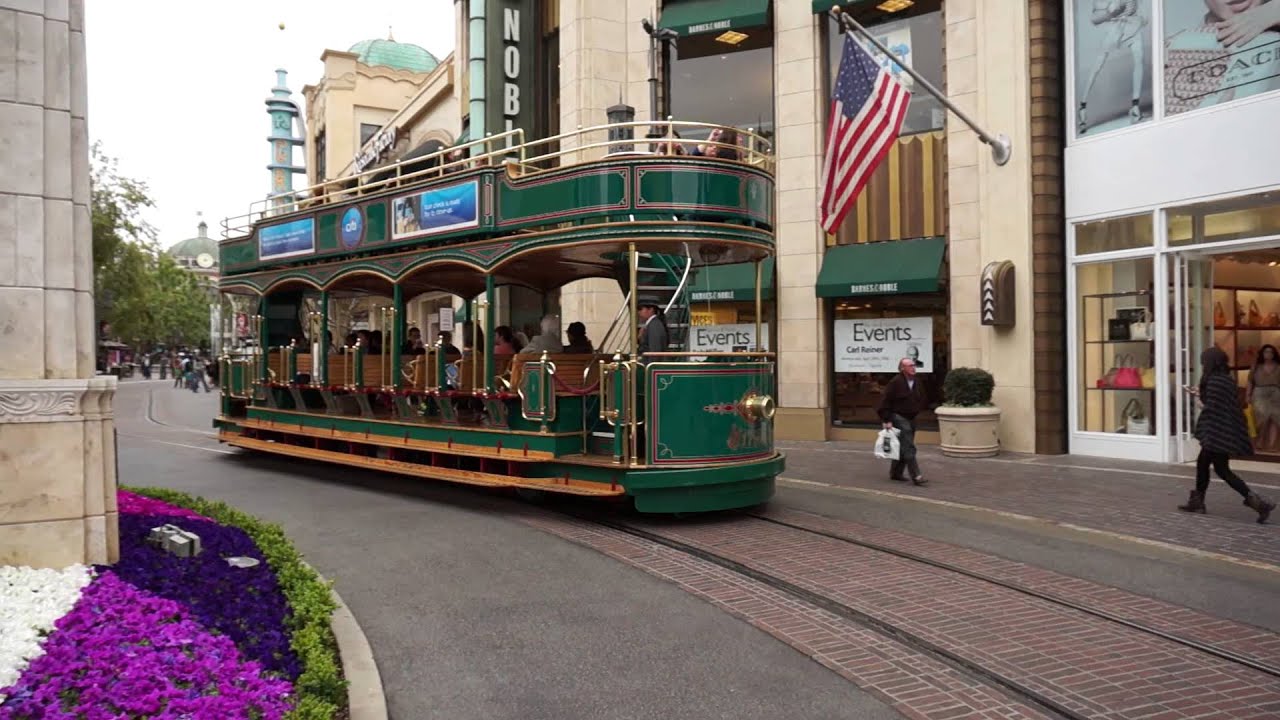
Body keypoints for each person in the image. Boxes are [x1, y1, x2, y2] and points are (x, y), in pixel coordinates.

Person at [1180, 346, 1275, 523]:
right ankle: (1198, 501)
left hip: (1215, 432)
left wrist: (1196, 397)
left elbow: (1208, 407)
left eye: (1203, 362)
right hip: (1224, 431)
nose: (1202, 365)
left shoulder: (1212, 380)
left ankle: (1259, 503)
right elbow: (1220, 403)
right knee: (1209, 466)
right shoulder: (1226, 380)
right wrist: (1200, 393)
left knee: (1220, 470)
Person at [1077, 0, 1148, 134]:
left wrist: (1134, 10)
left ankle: (1135, 106)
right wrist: (1114, 9)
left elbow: (1140, 11)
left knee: (1139, 60)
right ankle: (1083, 107)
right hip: (1116, 29)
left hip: (1133, 26)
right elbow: (1097, 18)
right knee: (1098, 64)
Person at [877, 358, 928, 486]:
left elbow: (922, 397)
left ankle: (895, 473)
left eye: (914, 365)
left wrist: (918, 408)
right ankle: (916, 475)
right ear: (902, 368)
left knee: (902, 446)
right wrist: (887, 419)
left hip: (911, 417)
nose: (913, 367)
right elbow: (885, 402)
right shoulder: (895, 382)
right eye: (910, 365)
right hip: (898, 416)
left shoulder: (917, 381)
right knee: (909, 446)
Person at [1247, 344, 1280, 451]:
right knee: (1261, 417)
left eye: (1271, 352)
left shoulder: (1278, 366)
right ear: (1262, 353)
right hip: (1259, 393)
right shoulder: (1256, 366)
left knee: (1274, 419)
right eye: (1266, 352)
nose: (1268, 354)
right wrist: (1248, 394)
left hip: (1275, 393)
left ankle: (1271, 444)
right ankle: (1260, 440)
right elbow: (1250, 381)